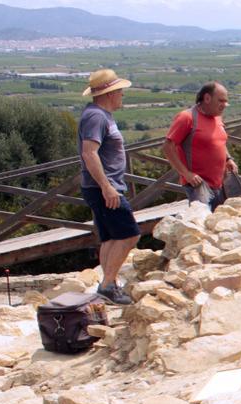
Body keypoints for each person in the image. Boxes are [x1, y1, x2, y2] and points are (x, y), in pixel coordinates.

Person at [77, 69, 139, 306]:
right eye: (119, 90)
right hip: (103, 187)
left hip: (103, 186)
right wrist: (107, 186)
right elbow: (89, 153)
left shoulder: (100, 115)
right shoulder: (96, 117)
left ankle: (107, 284)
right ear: (109, 93)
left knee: (111, 237)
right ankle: (108, 286)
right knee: (129, 234)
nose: (122, 94)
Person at [163, 81, 238, 210]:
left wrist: (228, 158)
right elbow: (167, 146)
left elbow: (218, 141)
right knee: (203, 223)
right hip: (198, 185)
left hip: (220, 183)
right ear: (207, 98)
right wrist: (186, 174)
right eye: (221, 101)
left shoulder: (217, 117)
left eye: (226, 101)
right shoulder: (187, 117)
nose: (224, 105)